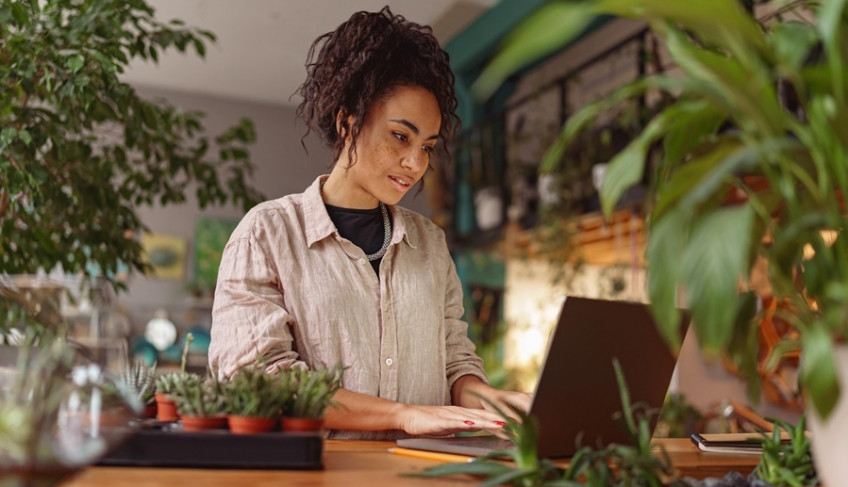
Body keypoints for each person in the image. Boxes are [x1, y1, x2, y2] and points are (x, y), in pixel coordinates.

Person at [209, 6, 531, 440]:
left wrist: (500, 402)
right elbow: (259, 382)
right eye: (401, 136)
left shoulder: (429, 243)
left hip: (423, 473)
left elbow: (455, 364)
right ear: (348, 122)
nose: (415, 163)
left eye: (427, 146)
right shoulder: (266, 234)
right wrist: (402, 414)